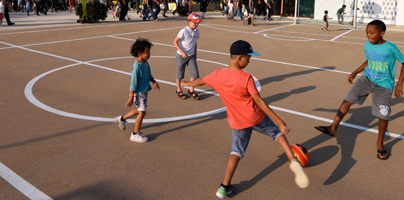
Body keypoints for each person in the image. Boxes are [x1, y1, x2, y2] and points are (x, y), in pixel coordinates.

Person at [183, 40, 309, 198]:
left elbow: (201, 82)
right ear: (239, 58)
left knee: (236, 152)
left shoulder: (218, 74)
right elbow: (259, 100)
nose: (249, 60)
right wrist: (279, 121)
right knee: (277, 133)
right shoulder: (246, 78)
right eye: (248, 57)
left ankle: (224, 187)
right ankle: (292, 159)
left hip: (237, 122)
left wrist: (187, 83)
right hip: (255, 116)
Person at [314, 20, 404, 160]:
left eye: (372, 33)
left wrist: (400, 83)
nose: (369, 35)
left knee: (383, 115)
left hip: (384, 86)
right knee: (347, 101)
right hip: (367, 79)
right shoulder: (367, 45)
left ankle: (380, 144)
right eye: (367, 33)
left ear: (381, 33)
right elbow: (368, 61)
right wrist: (355, 72)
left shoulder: (391, 47)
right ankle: (333, 128)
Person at [114, 38, 160, 143]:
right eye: (147, 52)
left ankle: (121, 119)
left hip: (143, 92)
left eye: (149, 52)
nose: (149, 54)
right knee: (142, 112)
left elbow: (148, 74)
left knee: (140, 110)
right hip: (138, 93)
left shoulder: (145, 62)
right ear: (140, 53)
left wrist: (154, 81)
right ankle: (135, 134)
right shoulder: (136, 67)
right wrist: (131, 97)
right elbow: (133, 83)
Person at [173, 13, 201, 100]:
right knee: (180, 74)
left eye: (198, 23)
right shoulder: (184, 31)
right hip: (182, 56)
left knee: (195, 74)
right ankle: (178, 89)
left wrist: (195, 53)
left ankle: (191, 90)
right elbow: (175, 42)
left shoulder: (196, 31)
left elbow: (195, 42)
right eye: (195, 22)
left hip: (191, 55)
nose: (197, 24)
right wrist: (182, 52)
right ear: (189, 21)